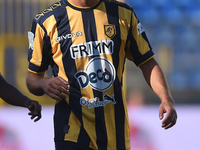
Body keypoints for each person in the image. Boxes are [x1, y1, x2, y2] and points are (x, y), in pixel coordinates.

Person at [26, 0, 177, 149]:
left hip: (115, 134)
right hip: (71, 132)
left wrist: (165, 97)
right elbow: (32, 78)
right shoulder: (46, 22)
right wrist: (43, 84)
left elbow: (147, 62)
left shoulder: (123, 14)